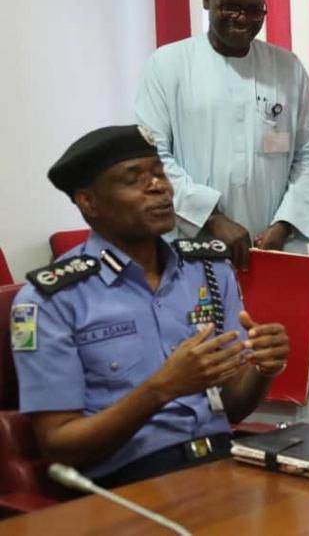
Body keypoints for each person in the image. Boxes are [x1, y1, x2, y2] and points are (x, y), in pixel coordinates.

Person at [12, 125, 289, 487]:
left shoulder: (207, 270)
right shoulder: (49, 301)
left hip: (221, 463)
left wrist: (263, 368)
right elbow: (59, 444)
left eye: (158, 173)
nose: (158, 187)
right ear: (88, 202)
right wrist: (162, 388)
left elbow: (233, 407)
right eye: (134, 179)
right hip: (127, 482)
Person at [135, 0, 309, 270]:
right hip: (193, 242)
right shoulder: (168, 64)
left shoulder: (287, 67)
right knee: (203, 322)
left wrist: (284, 226)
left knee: (275, 322)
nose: (243, 19)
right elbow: (152, 157)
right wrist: (211, 218)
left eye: (255, 10)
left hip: (273, 248)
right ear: (206, 0)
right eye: (230, 7)